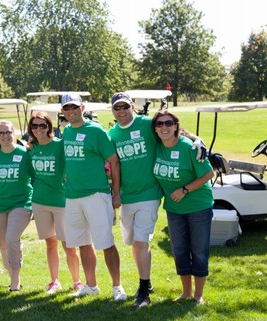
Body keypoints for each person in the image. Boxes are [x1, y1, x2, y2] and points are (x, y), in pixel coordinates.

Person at [108, 92, 206, 307]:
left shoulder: (146, 124)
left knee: (142, 242)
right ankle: (148, 282)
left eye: (125, 106)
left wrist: (196, 139)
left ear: (132, 106)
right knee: (134, 243)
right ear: (112, 111)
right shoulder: (112, 134)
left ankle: (143, 291)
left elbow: (170, 129)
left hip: (149, 194)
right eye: (117, 108)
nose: (122, 111)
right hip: (127, 196)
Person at [60, 92, 126, 301]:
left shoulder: (96, 131)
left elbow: (114, 161)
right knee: (83, 243)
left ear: (83, 108)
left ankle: (117, 287)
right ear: (63, 111)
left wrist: (115, 193)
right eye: (67, 108)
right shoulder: (67, 132)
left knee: (105, 242)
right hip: (72, 197)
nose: (71, 111)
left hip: (96, 195)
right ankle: (91, 285)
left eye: (74, 107)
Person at [151, 110, 214, 305]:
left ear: (176, 126)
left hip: (198, 207)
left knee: (199, 250)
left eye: (168, 123)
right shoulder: (157, 147)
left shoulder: (189, 148)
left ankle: (198, 295)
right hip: (174, 209)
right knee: (179, 250)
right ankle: (186, 292)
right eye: (160, 124)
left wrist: (184, 190)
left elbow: (208, 174)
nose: (164, 127)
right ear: (155, 128)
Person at [27, 111, 82, 294]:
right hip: (40, 201)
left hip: (61, 201)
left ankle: (77, 282)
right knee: (50, 243)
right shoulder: (31, 149)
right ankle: (54, 281)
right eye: (35, 126)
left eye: (42, 125)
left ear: (49, 127)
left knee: (68, 244)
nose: (38, 129)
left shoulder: (59, 145)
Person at [0, 120, 33, 291]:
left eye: (8, 132)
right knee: (3, 244)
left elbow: (38, 175)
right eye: (1, 133)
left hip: (21, 203)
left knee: (11, 238)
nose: (5, 136)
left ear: (14, 133)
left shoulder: (25, 153)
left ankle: (15, 281)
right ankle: (12, 276)